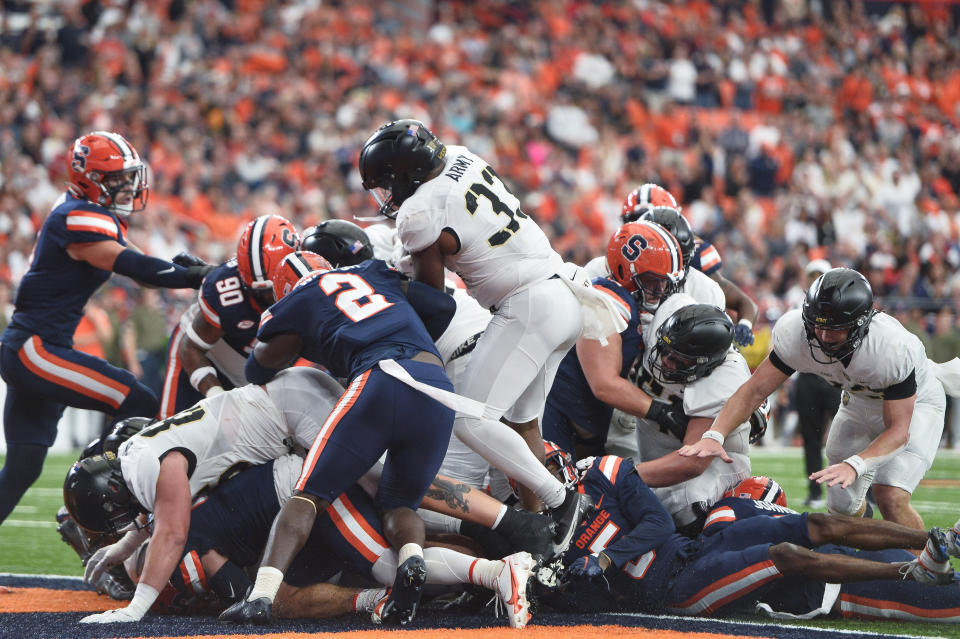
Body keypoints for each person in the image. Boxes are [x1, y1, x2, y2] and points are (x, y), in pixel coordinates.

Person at [358, 119, 595, 548]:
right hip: (564, 291)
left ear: (406, 173)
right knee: (522, 422)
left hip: (528, 305)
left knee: (468, 420)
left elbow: (435, 301)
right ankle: (543, 536)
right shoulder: (461, 155)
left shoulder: (418, 211)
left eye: (388, 183)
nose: (387, 196)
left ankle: (562, 500)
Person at [223, 250, 466, 626]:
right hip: (436, 386)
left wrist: (309, 339)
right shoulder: (372, 271)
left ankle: (260, 597)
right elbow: (439, 304)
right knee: (400, 503)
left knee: (307, 495)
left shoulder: (297, 300)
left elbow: (259, 366)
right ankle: (413, 558)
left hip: (380, 377)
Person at [0, 131, 212, 526]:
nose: (127, 186)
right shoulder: (76, 217)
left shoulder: (86, 212)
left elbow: (143, 272)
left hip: (39, 347)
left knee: (23, 468)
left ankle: (91, 505)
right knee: (137, 400)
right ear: (89, 180)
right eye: (116, 179)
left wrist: (183, 270)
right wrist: (197, 276)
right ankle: (93, 507)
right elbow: (133, 266)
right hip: (35, 348)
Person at [679, 268, 960, 530]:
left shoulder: (891, 349)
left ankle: (930, 567)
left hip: (917, 403)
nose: (823, 336)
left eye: (835, 327)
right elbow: (754, 390)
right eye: (817, 324)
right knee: (842, 507)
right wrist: (715, 434)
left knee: (890, 495)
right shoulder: (798, 333)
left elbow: (898, 430)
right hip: (859, 401)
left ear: (860, 324)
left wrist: (857, 464)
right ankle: (876, 553)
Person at [63, 366, 346, 624]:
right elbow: (159, 513)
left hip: (294, 412)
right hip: (289, 406)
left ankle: (375, 593)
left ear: (112, 491)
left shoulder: (147, 464)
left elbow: (172, 533)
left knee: (377, 485)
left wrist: (134, 609)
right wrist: (125, 546)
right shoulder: (136, 454)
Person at [542, 446, 960, 620]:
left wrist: (604, 558)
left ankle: (935, 541)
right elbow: (582, 600)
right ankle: (912, 573)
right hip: (677, 589)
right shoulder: (536, 535)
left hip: (692, 548)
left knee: (817, 523)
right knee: (783, 553)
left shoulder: (602, 471)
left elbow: (658, 524)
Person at [123, 455, 538, 627]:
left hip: (304, 495)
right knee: (290, 597)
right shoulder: (176, 527)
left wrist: (205, 601)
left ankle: (498, 573)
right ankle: (484, 560)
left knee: (387, 565)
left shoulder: (187, 542)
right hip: (289, 508)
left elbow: (238, 594)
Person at [543, 221, 689, 460]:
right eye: (654, 283)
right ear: (626, 273)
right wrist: (662, 412)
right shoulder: (607, 301)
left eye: (665, 283)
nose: (661, 291)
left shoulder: (630, 305)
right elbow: (604, 384)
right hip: (555, 416)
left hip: (583, 423)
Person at [158, 215, 300, 417]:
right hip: (207, 355)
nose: (265, 297)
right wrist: (217, 395)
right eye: (256, 290)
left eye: (269, 289)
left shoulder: (307, 283)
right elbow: (191, 347)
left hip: (253, 371)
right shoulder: (226, 290)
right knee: (168, 429)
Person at [632, 300, 754, 533]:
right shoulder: (672, 311)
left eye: (680, 359)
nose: (666, 360)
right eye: (666, 349)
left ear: (706, 363)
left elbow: (691, 462)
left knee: (687, 502)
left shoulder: (724, 377)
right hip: (656, 451)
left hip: (713, 465)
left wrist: (624, 475)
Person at [791, 259, 842, 508]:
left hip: (835, 378)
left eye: (819, 275)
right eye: (811, 275)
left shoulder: (839, 305)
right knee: (811, 438)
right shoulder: (795, 306)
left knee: (848, 436)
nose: (814, 280)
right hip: (808, 377)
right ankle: (814, 491)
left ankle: (865, 491)